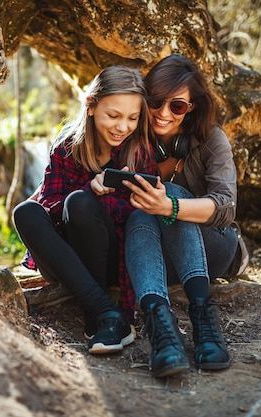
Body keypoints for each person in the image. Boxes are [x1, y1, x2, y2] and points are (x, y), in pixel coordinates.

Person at [13, 65, 157, 355]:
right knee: (24, 211)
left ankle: (100, 312)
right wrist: (89, 190)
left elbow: (144, 219)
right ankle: (104, 310)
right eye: (113, 116)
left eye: (132, 118)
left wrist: (103, 199)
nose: (122, 127)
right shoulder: (67, 145)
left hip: (113, 257)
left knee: (80, 204)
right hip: (68, 256)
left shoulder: (139, 149)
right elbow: (49, 202)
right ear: (90, 106)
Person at [123, 54, 247, 377]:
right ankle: (161, 328)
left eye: (176, 106)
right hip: (157, 257)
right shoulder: (132, 139)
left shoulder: (212, 140)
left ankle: (203, 315)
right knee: (141, 210)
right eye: (156, 102)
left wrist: (171, 207)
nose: (163, 114)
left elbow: (225, 206)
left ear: (191, 108)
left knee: (170, 196)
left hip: (215, 247)